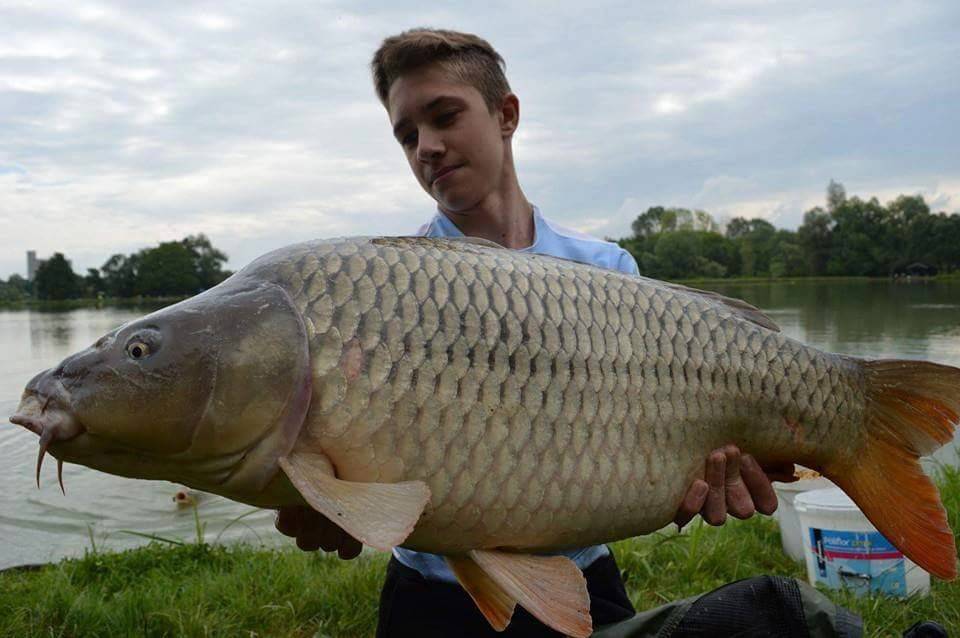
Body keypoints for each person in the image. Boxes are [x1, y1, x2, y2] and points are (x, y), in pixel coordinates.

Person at [275, 28, 798, 636]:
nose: (428, 147)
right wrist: (330, 498)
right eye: (407, 135)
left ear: (506, 114)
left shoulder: (608, 273)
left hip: (581, 575)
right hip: (430, 590)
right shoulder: (389, 290)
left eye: (445, 116)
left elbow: (668, 451)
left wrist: (701, 475)